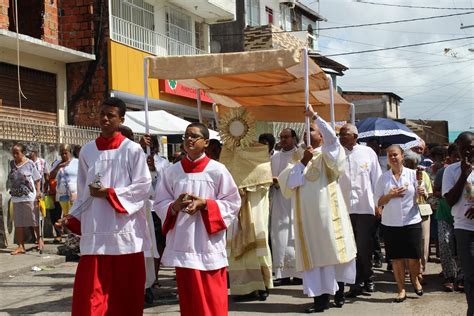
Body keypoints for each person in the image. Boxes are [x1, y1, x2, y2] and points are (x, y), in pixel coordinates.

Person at [60, 97, 152, 315]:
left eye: (110, 115)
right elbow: (83, 190)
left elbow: (143, 186)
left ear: (121, 118)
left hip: (124, 228)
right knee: (93, 293)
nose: (104, 118)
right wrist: (73, 217)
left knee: (124, 292)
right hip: (96, 227)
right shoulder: (88, 151)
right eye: (102, 114)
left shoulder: (132, 150)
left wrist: (110, 193)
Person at [153, 122, 241, 316]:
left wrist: (205, 205)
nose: (189, 140)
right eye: (186, 136)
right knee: (190, 300)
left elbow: (233, 202)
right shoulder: (172, 171)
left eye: (194, 136)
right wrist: (174, 206)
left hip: (208, 243)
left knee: (213, 299)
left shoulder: (218, 170)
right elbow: (159, 202)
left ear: (206, 142)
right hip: (184, 243)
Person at [278, 106, 356, 313]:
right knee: (315, 260)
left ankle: (338, 291)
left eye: (311, 130)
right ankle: (319, 301)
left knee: (334, 253)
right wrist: (303, 162)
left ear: (321, 135)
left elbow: (333, 138)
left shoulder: (328, 153)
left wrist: (314, 116)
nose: (306, 133)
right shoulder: (299, 157)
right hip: (308, 219)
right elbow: (289, 184)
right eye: (305, 131)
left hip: (329, 214)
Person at [374, 145, 424, 303]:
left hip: (411, 221)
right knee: (396, 259)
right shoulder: (383, 178)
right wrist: (390, 195)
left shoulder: (413, 175)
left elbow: (423, 194)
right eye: (389, 155)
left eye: (395, 155)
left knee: (414, 257)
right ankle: (401, 289)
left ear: (402, 156)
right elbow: (378, 201)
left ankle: (415, 279)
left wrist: (422, 192)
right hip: (391, 223)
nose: (393, 158)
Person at [338, 123, 382, 297]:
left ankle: (368, 279)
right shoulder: (337, 154)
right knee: (349, 249)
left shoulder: (367, 153)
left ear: (355, 136)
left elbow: (377, 180)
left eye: (344, 134)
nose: (341, 137)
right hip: (344, 209)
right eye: (340, 134)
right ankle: (354, 283)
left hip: (365, 208)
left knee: (364, 247)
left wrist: (379, 205)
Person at [442, 131, 474, 315]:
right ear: (458, 149)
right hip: (464, 228)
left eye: (472, 148)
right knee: (470, 275)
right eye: (465, 149)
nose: (469, 152)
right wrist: (464, 174)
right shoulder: (450, 171)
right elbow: (450, 200)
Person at [270, 128, 301, 286]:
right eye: (281, 137)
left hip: (296, 199)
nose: (283, 140)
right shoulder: (274, 157)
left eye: (286, 137)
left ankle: (298, 274)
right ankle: (281, 273)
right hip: (279, 199)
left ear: (294, 138)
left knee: (295, 234)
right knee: (279, 236)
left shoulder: (301, 154)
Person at [434, 143, 463, 292]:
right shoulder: (443, 172)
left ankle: (462, 275)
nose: (458, 159)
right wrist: (447, 194)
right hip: (445, 215)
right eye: (455, 156)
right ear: (449, 157)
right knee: (445, 242)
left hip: (464, 217)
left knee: (462, 246)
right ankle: (449, 276)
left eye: (461, 155)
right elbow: (436, 191)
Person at [7, 143, 42, 255]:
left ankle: (39, 240)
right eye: (13, 153)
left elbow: (37, 179)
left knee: (34, 220)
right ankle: (21, 246)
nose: (15, 155)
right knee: (18, 223)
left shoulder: (30, 163)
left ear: (23, 153)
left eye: (17, 153)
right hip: (16, 197)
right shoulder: (12, 163)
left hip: (29, 197)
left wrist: (38, 192)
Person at [403, 150, 433, 279]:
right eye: (409, 164)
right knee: (407, 241)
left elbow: (430, 193)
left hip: (422, 210)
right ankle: (407, 269)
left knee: (423, 241)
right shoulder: (401, 175)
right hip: (405, 211)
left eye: (413, 164)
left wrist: (424, 193)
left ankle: (421, 269)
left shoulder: (423, 174)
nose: (412, 167)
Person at [49, 144, 79, 217]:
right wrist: (59, 167)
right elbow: (51, 176)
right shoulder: (57, 163)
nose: (64, 155)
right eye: (62, 154)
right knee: (66, 216)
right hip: (62, 195)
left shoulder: (77, 162)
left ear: (70, 152)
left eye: (66, 153)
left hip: (74, 195)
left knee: (74, 216)